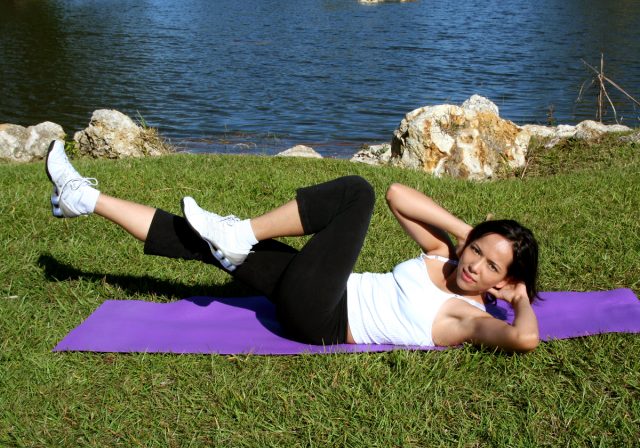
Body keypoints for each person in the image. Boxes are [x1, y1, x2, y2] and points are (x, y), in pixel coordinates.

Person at [45, 140, 540, 352]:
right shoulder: (445, 256)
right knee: (201, 240)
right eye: (477, 250)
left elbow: (524, 340)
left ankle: (240, 234)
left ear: (506, 281)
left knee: (355, 194)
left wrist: (518, 303)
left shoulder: (466, 317)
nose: (474, 264)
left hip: (323, 318)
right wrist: (465, 231)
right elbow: (401, 196)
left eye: (490, 265)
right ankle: (83, 198)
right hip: (317, 289)